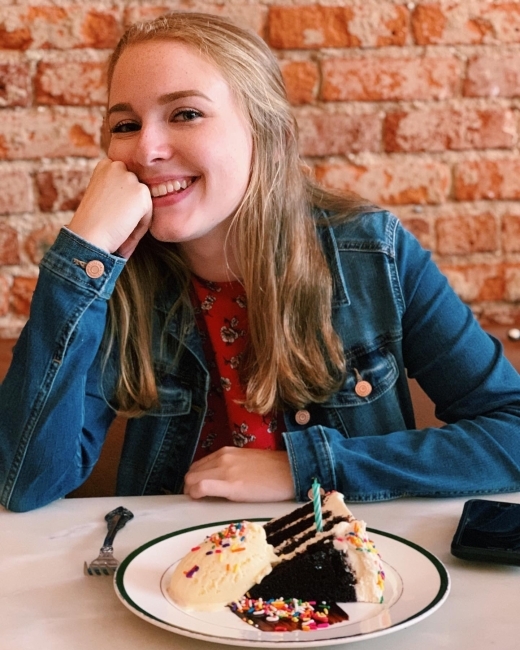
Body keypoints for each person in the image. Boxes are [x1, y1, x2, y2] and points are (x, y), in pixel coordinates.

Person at [1, 12, 520, 513]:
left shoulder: (374, 255)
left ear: (265, 132)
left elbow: (512, 428)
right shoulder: (113, 279)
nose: (146, 149)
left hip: (350, 579)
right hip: (170, 582)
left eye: (185, 113)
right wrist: (83, 252)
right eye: (125, 124)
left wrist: (303, 468)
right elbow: (24, 482)